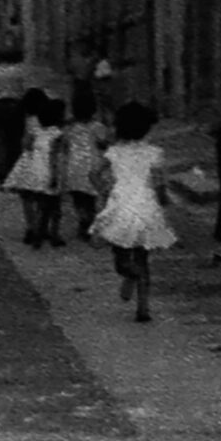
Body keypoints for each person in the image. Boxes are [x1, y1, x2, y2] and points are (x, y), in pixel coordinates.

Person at [90, 100, 175, 323]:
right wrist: (163, 200)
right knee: (143, 257)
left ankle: (130, 275)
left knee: (120, 254)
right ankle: (143, 306)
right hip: (147, 206)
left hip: (121, 206)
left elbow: (94, 173)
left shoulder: (114, 153)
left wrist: (104, 191)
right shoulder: (155, 153)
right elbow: (159, 182)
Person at [4, 88, 65, 248]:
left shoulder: (28, 120)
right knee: (45, 199)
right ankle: (44, 229)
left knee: (27, 199)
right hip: (44, 164)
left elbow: (25, 144)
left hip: (28, 164)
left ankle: (31, 227)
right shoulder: (53, 128)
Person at [60, 84, 111, 240]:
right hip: (92, 166)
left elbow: (65, 145)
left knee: (78, 197)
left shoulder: (70, 128)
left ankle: (83, 219)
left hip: (73, 167)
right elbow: (104, 143)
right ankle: (90, 220)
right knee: (91, 197)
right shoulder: (97, 127)